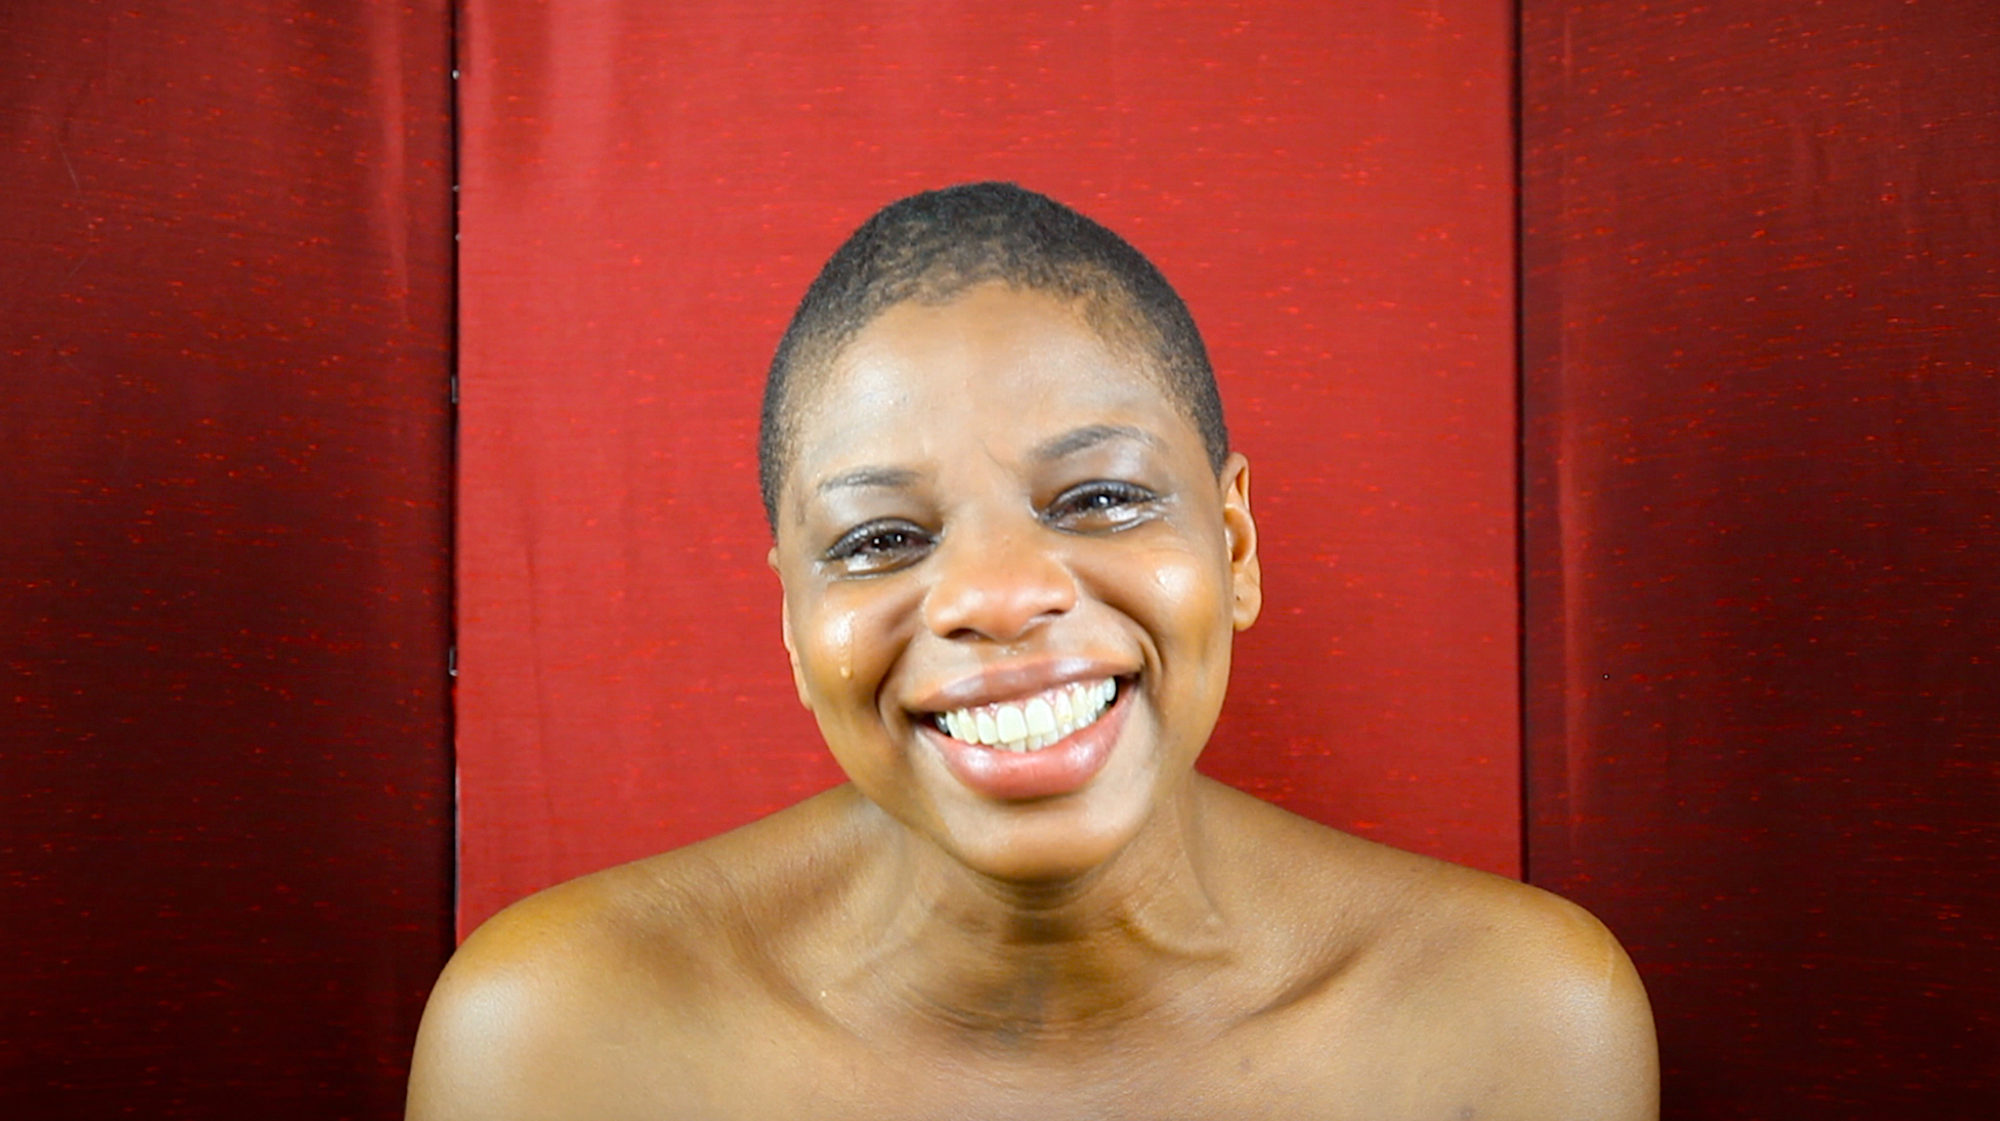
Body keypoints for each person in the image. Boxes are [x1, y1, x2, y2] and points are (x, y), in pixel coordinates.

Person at [406, 183, 1658, 1119]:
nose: (999, 597)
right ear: (792, 621)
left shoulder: (1514, 1025)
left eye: (1100, 500)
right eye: (883, 536)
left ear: (1234, 543)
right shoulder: (555, 1042)